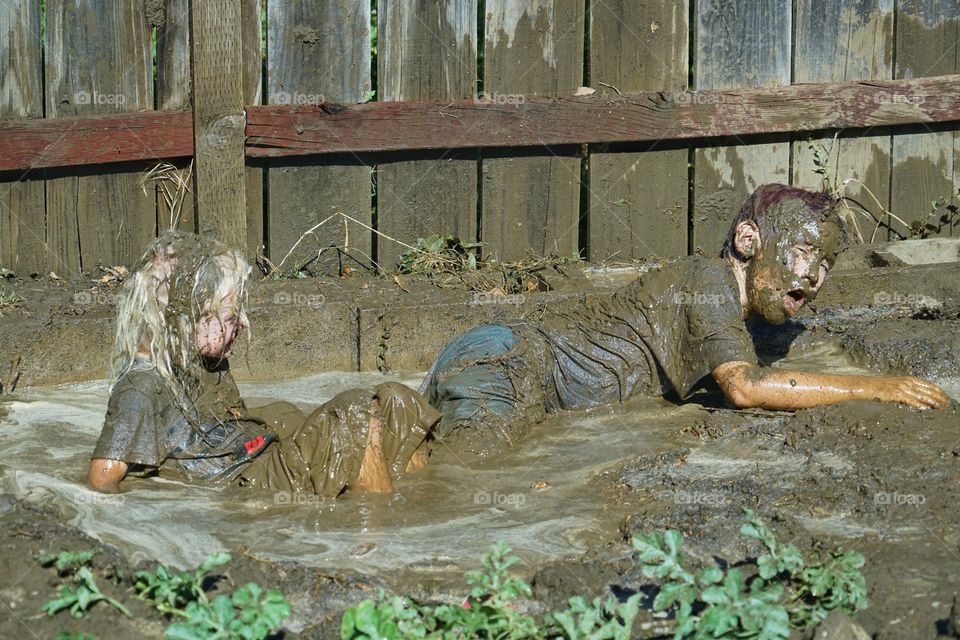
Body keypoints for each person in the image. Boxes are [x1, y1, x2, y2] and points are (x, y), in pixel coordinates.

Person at [420, 184, 951, 459]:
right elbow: (745, 388)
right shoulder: (707, 281)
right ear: (749, 241)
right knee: (464, 470)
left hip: (503, 355)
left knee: (429, 454)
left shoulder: (734, 308)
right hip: (512, 357)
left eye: (828, 264)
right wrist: (876, 387)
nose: (815, 276)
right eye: (807, 251)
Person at [87, 231, 439, 496]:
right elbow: (103, 478)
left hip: (262, 459)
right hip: (249, 485)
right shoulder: (141, 387)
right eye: (227, 315)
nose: (241, 324)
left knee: (396, 400)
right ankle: (381, 532)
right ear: (184, 318)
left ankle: (420, 512)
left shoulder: (203, 362)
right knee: (358, 412)